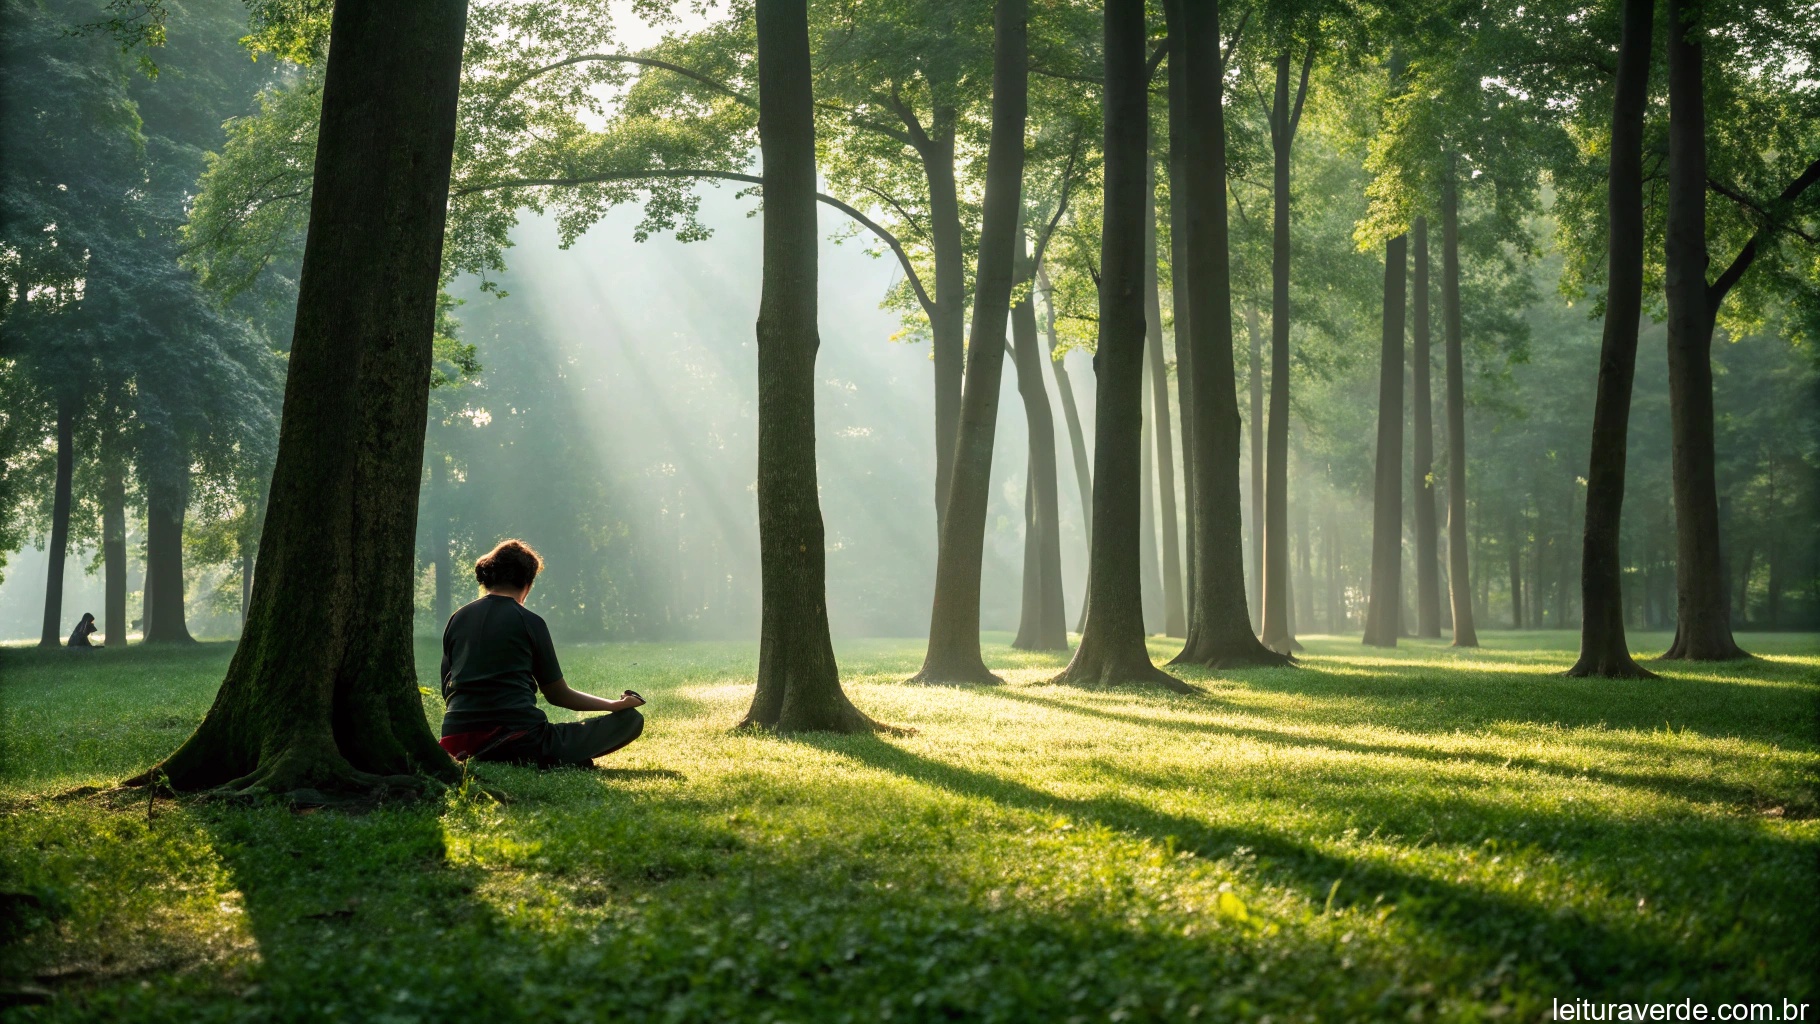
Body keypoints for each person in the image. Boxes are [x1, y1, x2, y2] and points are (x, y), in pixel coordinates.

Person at [438, 539, 645, 768]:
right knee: (630, 720)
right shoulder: (529, 621)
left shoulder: (457, 618)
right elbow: (558, 695)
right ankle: (540, 757)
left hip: (455, 739)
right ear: (527, 582)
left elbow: (446, 688)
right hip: (519, 738)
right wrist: (615, 705)